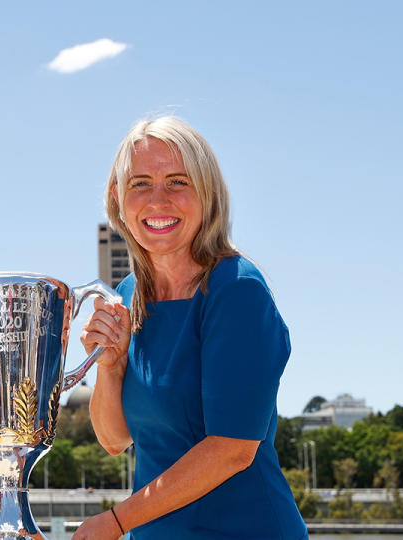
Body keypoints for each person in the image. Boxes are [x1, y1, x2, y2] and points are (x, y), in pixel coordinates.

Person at [74, 116, 307, 539]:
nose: (157, 200)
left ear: (208, 195)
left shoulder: (237, 290)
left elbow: (232, 450)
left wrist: (118, 521)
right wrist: (111, 366)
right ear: (117, 197)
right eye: (140, 183)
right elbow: (114, 440)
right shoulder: (125, 295)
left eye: (178, 182)